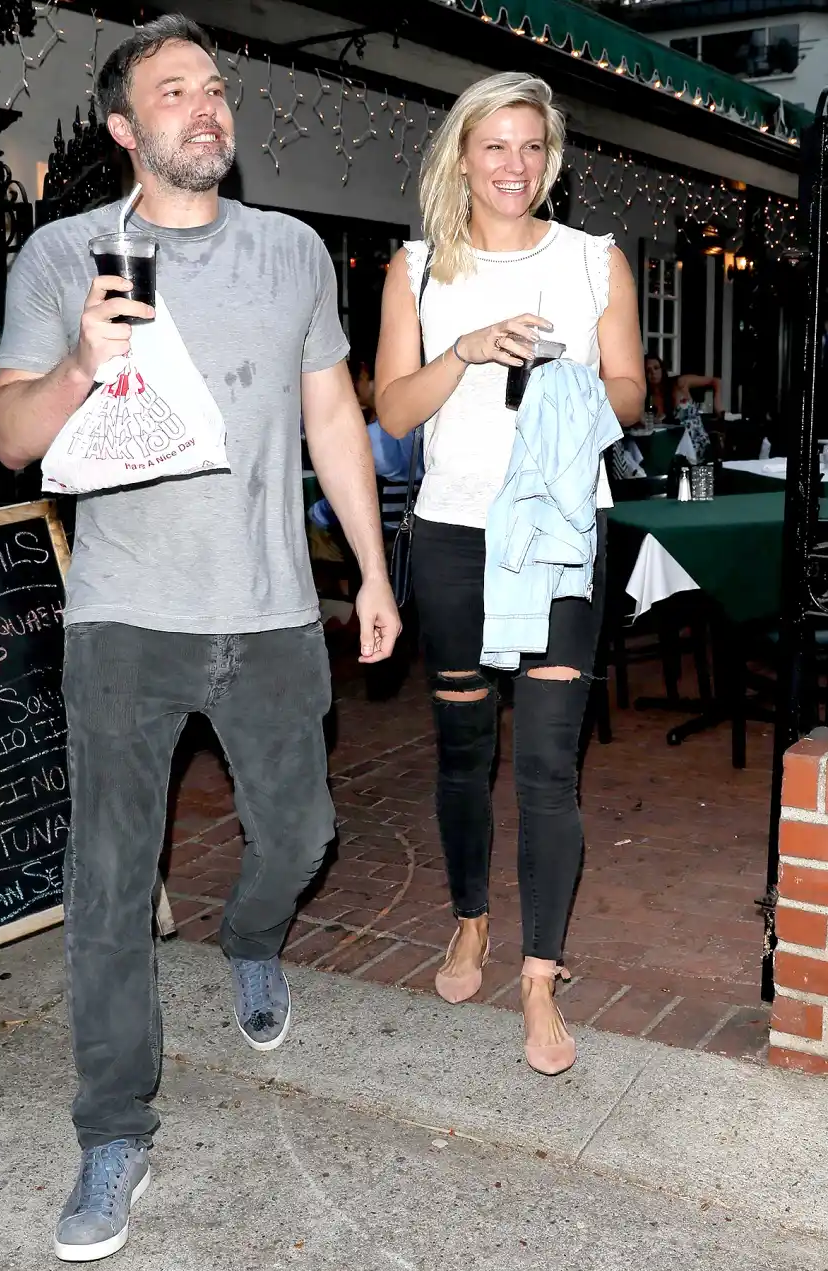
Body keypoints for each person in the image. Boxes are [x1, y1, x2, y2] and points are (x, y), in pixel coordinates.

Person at [0, 15, 400, 1262]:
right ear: (125, 128)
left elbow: (333, 411)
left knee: (306, 834)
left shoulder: (293, 253)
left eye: (214, 88)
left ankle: (252, 933)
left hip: (273, 608)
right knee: (109, 882)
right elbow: (13, 435)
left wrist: (371, 571)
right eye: (175, 91)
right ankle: (114, 1127)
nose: (205, 106)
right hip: (125, 616)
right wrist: (75, 369)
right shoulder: (68, 254)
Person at [375, 72, 644, 1075]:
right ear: (461, 154)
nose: (513, 166)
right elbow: (395, 412)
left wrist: (571, 390)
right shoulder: (413, 269)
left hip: (561, 536)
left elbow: (628, 395)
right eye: (494, 146)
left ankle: (538, 973)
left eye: (531, 147)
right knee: (460, 747)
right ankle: (468, 918)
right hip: (452, 535)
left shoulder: (592, 262)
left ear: (551, 159)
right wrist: (467, 350)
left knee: (545, 762)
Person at [308, 358, 424, 536]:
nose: (373, 379)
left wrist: (316, 515)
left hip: (392, 532)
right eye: (366, 377)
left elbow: (338, 500)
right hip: (419, 522)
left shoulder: (366, 440)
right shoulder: (423, 417)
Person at [645, 354, 723, 420]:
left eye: (656, 368)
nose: (653, 373)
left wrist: (718, 409)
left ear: (662, 369)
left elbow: (716, 381)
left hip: (691, 434)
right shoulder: (646, 398)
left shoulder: (679, 383)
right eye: (648, 370)